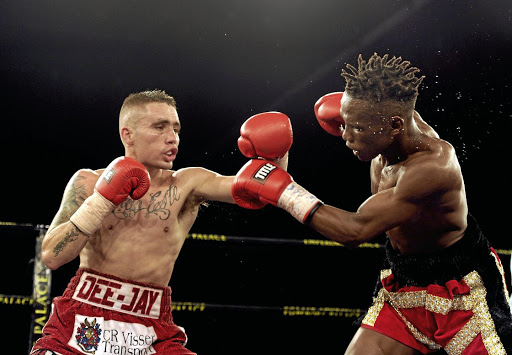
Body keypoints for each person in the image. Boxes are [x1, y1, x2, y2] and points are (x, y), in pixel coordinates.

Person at [231, 53, 512, 354]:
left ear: (394, 125)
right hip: (403, 286)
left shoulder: (432, 169)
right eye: (344, 123)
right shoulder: (387, 124)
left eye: (358, 129)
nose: (346, 136)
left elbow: (357, 230)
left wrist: (285, 193)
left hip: (463, 293)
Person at [30, 90, 292, 355]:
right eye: (160, 127)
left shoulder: (188, 184)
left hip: (152, 328)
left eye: (176, 129)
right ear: (127, 134)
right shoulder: (87, 182)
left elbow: (262, 188)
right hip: (82, 319)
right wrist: (101, 200)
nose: (173, 138)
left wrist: (277, 151)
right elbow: (52, 255)